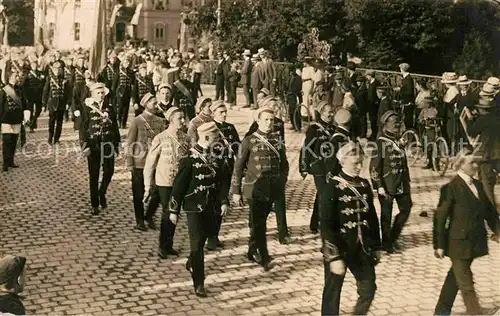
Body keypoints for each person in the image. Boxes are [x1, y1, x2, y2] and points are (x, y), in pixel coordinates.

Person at [433, 147, 500, 315]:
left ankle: (441, 312)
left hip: (474, 241)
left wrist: (498, 231)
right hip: (458, 243)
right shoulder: (451, 188)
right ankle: (475, 312)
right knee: (466, 283)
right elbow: (440, 219)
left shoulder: (477, 185)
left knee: (455, 277)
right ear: (461, 164)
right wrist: (439, 245)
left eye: (476, 162)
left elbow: (489, 212)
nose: (476, 166)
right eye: (472, 162)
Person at [168, 122, 230, 297]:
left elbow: (223, 180)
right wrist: (174, 210)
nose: (218, 140)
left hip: (211, 206)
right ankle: (199, 283)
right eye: (216, 137)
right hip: (194, 206)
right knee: (196, 245)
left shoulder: (217, 156)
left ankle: (191, 262)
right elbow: (178, 187)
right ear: (207, 137)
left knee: (204, 238)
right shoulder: (189, 159)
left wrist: (224, 200)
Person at [320, 142, 381, 316]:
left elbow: (372, 217)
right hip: (340, 247)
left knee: (369, 288)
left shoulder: (364, 184)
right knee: (333, 293)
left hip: (362, 248)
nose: (360, 167)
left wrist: (376, 246)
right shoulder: (331, 186)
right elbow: (325, 224)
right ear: (343, 161)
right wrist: (334, 257)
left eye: (361, 162)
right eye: (355, 163)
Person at [233, 106, 289, 270]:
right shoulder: (249, 140)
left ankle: (252, 249)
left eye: (272, 120)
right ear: (258, 121)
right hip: (254, 189)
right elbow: (238, 167)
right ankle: (262, 255)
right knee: (258, 223)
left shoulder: (277, 139)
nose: (269, 123)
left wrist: (281, 181)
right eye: (265, 119)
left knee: (260, 221)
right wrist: (236, 191)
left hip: (272, 188)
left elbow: (284, 164)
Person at [144, 106, 190, 259]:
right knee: (167, 212)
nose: (183, 121)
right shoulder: (160, 138)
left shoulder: (186, 138)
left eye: (183, 118)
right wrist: (148, 185)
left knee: (175, 212)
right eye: (180, 119)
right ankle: (163, 246)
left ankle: (169, 244)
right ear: (171, 120)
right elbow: (150, 163)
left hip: (180, 182)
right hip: (164, 181)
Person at [370, 110, 412, 254]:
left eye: (399, 122)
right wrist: (379, 186)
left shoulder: (397, 140)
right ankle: (387, 243)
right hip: (387, 185)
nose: (398, 125)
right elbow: (374, 168)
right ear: (386, 124)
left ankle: (393, 237)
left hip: (401, 184)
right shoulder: (380, 143)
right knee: (386, 216)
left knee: (406, 209)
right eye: (395, 123)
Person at [79, 82, 120, 215]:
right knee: (94, 175)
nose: (101, 95)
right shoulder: (87, 107)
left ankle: (102, 192)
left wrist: (117, 143)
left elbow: (115, 126)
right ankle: (94, 203)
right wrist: (85, 145)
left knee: (109, 171)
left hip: (108, 143)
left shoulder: (109, 107)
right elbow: (83, 128)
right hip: (94, 144)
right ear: (92, 94)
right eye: (98, 93)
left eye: (102, 92)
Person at [126, 93, 165, 231]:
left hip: (156, 162)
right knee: (138, 192)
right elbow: (130, 143)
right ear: (146, 104)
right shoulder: (137, 121)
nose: (156, 105)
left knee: (158, 191)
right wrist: (130, 163)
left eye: (156, 103)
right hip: (140, 162)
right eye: (154, 103)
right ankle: (140, 220)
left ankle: (149, 215)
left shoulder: (160, 121)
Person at [207, 101, 240, 249]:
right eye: (221, 112)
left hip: (227, 169)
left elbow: (238, 147)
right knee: (212, 203)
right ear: (213, 113)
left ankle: (214, 236)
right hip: (212, 170)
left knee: (222, 201)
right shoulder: (209, 128)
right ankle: (209, 236)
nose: (225, 114)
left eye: (225, 111)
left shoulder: (230, 128)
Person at [299, 101, 336, 234]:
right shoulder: (313, 129)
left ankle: (314, 223)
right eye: (328, 112)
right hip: (318, 167)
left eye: (332, 112)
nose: (331, 115)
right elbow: (306, 148)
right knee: (324, 194)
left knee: (322, 194)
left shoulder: (333, 128)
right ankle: (322, 224)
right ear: (321, 113)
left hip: (330, 167)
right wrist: (303, 167)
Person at [465, 97, 500, 208]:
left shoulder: (483, 119)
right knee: (489, 181)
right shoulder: (496, 119)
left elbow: (471, 132)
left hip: (486, 155)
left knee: (486, 184)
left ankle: (491, 211)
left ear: (483, 110)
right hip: (496, 154)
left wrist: (470, 118)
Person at [0, 71, 30, 172]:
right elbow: (0, 106)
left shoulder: (20, 89)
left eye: (17, 76)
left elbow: (25, 104)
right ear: (9, 78)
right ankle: (5, 163)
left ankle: (11, 161)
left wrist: (26, 117)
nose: (17, 78)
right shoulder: (4, 90)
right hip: (6, 118)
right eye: (15, 76)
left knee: (13, 141)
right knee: (6, 141)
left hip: (17, 118)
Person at [42, 60, 71, 144]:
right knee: (51, 122)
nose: (57, 70)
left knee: (59, 122)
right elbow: (45, 91)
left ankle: (57, 139)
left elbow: (68, 93)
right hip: (52, 104)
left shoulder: (65, 80)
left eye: (59, 69)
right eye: (55, 69)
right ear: (53, 69)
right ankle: (50, 137)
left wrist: (68, 103)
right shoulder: (49, 79)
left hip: (61, 104)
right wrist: (44, 104)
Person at [113, 56, 135, 129]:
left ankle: (124, 123)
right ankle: (119, 122)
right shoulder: (118, 71)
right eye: (126, 62)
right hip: (119, 91)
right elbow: (114, 83)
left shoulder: (131, 72)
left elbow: (133, 83)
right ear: (123, 63)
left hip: (127, 92)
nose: (127, 64)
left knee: (126, 108)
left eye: (128, 62)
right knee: (120, 108)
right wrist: (114, 92)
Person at [398, 63, 415, 129]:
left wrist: (401, 90)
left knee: (408, 119)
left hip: (408, 102)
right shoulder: (406, 78)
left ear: (402, 69)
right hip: (406, 101)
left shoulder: (408, 79)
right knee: (406, 119)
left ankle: (410, 134)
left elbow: (409, 91)